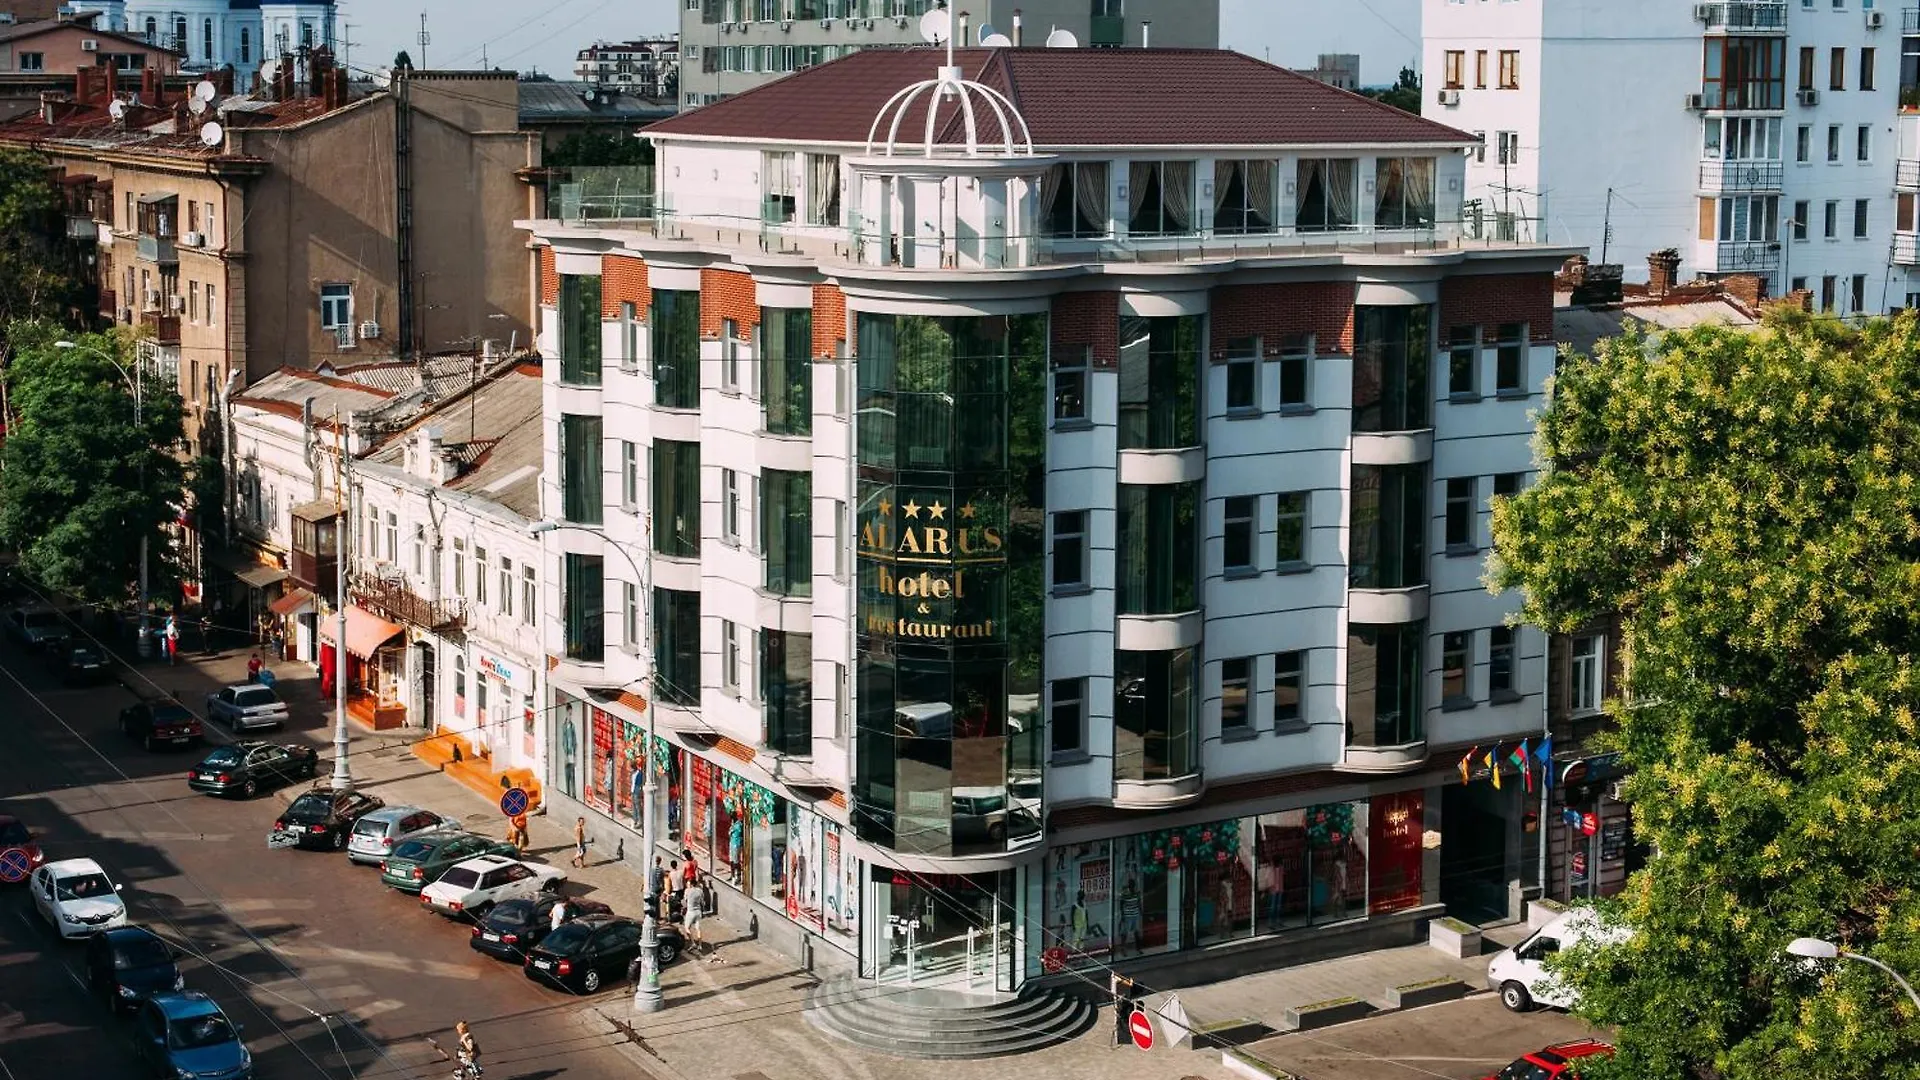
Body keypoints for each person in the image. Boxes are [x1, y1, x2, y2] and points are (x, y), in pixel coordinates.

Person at [684, 874, 710, 960]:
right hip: (698, 911)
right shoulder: (700, 891)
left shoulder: (687, 891)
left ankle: (693, 943)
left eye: (688, 883)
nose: (687, 885)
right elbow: (702, 902)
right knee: (698, 928)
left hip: (690, 912)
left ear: (691, 884)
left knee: (687, 928)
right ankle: (700, 945)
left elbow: (685, 900)